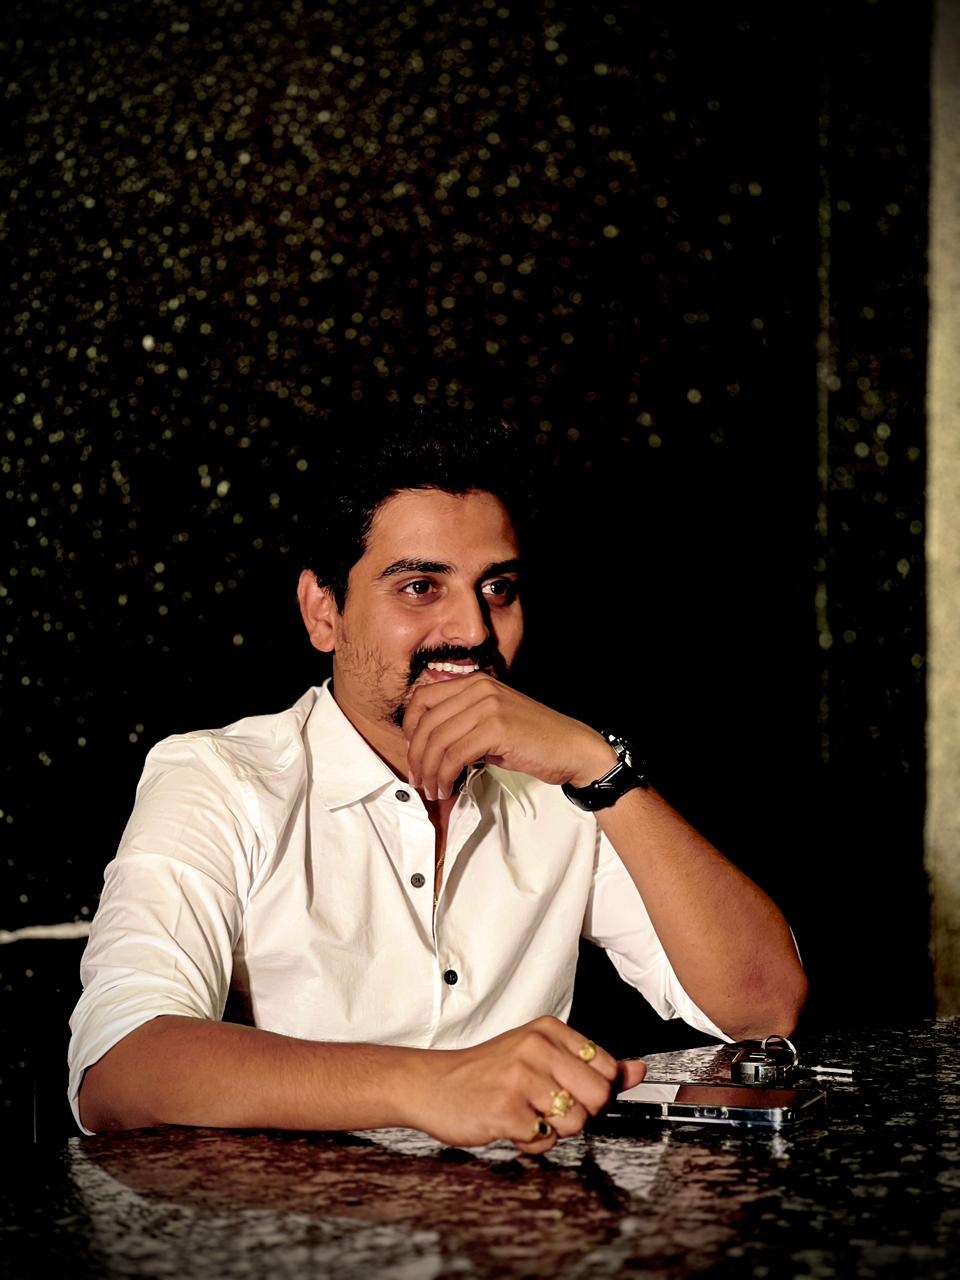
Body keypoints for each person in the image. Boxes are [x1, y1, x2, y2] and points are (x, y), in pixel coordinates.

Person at [69, 408, 807, 1153]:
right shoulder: (219, 779)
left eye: (498, 588)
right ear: (324, 612)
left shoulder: (563, 782)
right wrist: (433, 1085)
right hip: (304, 1217)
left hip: (523, 1214)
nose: (475, 631)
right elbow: (119, 1067)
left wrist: (600, 769)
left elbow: (763, 1009)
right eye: (421, 586)